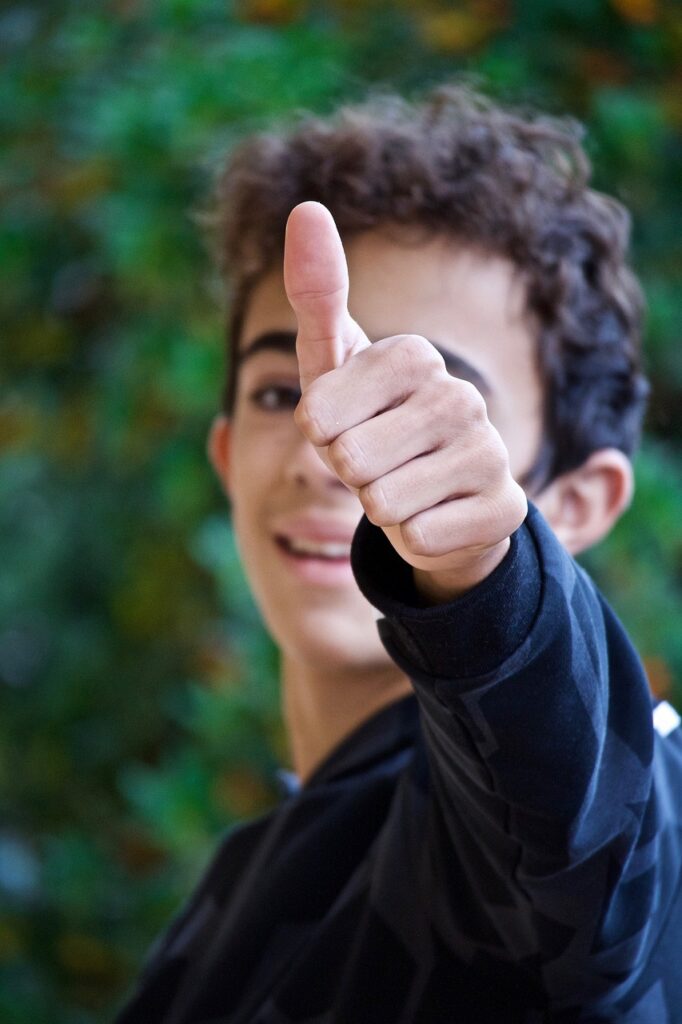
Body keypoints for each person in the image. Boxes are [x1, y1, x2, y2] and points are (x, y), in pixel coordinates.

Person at [115, 85, 682, 1023]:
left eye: (426, 405)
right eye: (279, 393)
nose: (329, 450)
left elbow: (580, 841)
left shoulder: (596, 828)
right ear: (224, 453)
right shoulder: (237, 889)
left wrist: (486, 574)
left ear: (575, 501)